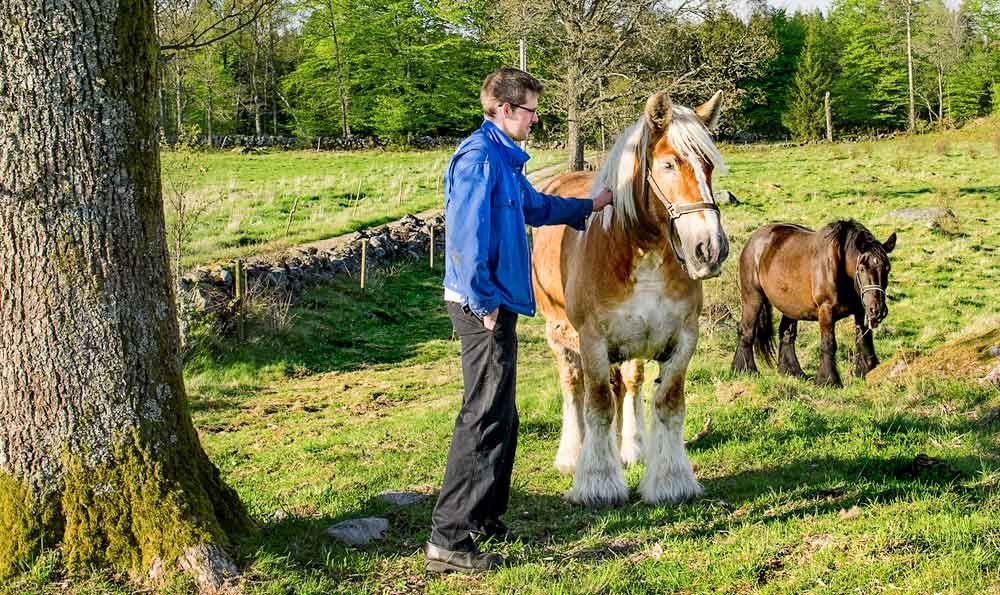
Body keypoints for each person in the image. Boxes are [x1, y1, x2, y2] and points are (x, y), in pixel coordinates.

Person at [425, 67, 613, 573]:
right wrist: (482, 303)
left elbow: (534, 206)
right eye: (530, 110)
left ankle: (485, 517)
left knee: (503, 414)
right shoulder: (478, 159)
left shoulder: (505, 162)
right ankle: (449, 539)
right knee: (482, 415)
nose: (534, 119)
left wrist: (589, 205)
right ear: (505, 109)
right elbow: (464, 237)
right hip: (479, 306)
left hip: (499, 302)